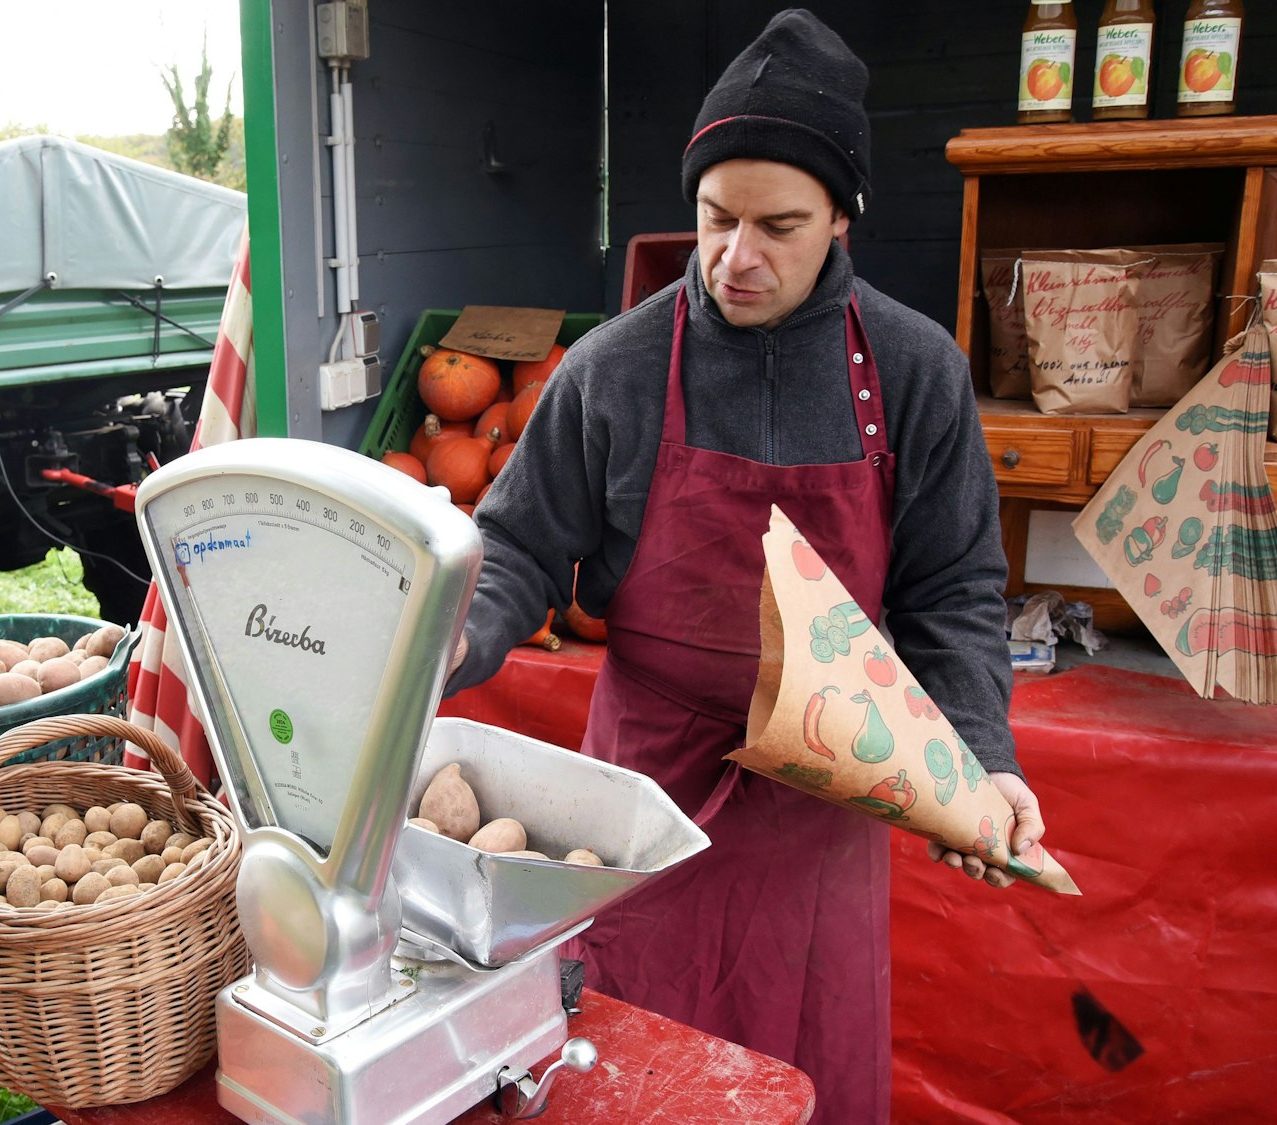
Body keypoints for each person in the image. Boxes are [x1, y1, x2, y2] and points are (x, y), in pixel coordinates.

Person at [444, 10, 1046, 1122]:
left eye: (778, 225)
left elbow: (951, 591)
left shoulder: (913, 368)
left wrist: (980, 760)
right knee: (634, 1071)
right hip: (644, 801)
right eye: (715, 218)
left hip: (826, 795)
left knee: (804, 1071)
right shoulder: (612, 366)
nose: (735, 257)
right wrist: (446, 640)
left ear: (840, 219)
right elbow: (520, 543)